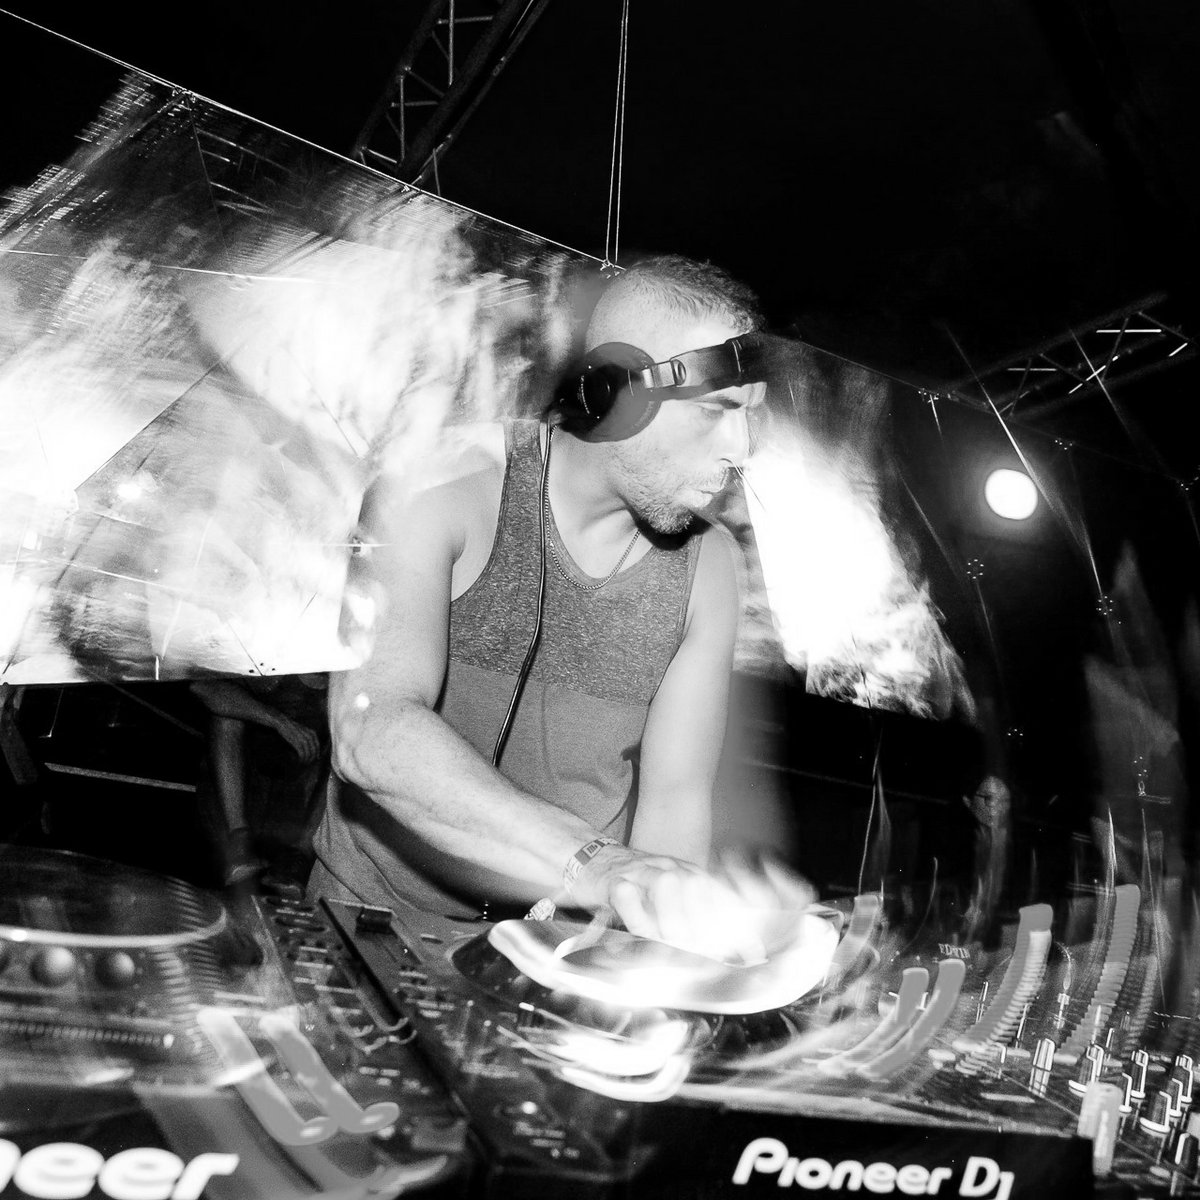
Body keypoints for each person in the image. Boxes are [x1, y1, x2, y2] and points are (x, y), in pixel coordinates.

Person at [307, 255, 814, 959]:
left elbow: (673, 806)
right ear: (617, 394)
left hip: (559, 955)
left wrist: (671, 941)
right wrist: (596, 863)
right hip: (369, 929)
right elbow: (372, 730)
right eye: (715, 411)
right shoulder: (441, 483)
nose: (742, 449)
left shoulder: (711, 568)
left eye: (750, 416)